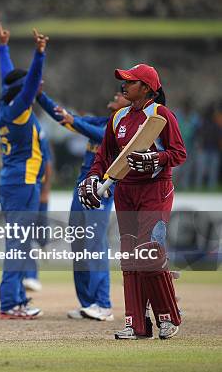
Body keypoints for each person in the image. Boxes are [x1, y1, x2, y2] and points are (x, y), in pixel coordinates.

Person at [78, 64, 186, 339]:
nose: (123, 86)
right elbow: (104, 157)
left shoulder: (160, 115)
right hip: (125, 191)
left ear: (147, 87)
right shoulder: (118, 119)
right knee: (130, 257)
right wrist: (91, 179)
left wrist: (154, 159)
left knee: (148, 253)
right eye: (123, 82)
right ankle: (136, 324)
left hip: (155, 189)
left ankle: (167, 317)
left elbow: (178, 153)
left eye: (130, 82)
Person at [36, 89, 132, 321]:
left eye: (122, 93)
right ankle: (88, 303)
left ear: (130, 104)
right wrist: (39, 96)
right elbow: (63, 117)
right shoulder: (99, 120)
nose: (117, 95)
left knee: (94, 244)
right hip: (81, 189)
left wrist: (75, 122)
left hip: (101, 190)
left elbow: (103, 137)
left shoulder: (126, 128)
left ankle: (104, 304)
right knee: (78, 245)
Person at [0, 20, 48, 319]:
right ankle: (9, 304)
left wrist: (3, 48)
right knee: (17, 245)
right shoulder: (18, 110)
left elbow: (10, 79)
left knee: (20, 243)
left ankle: (16, 298)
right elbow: (27, 83)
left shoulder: (6, 107)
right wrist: (39, 55)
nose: (36, 87)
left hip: (14, 183)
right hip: (22, 184)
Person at [0, 128, 51, 293]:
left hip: (36, 185)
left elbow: (48, 162)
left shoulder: (33, 130)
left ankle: (38, 254)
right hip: (15, 187)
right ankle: (29, 275)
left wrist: (46, 190)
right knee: (21, 232)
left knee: (37, 234)